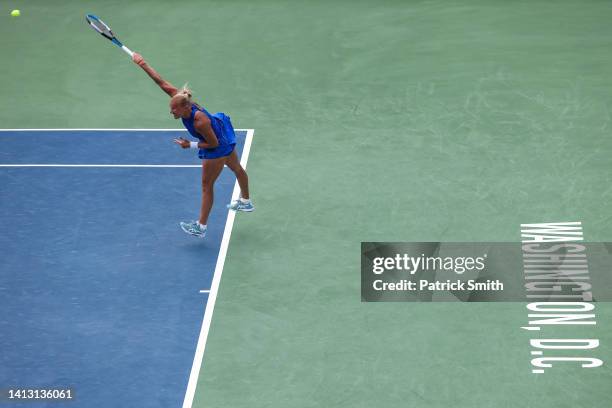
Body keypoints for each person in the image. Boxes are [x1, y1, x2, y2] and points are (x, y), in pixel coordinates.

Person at [132, 52, 253, 238]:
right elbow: (160, 82)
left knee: (207, 186)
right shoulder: (180, 98)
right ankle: (245, 201)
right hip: (222, 132)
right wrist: (143, 64)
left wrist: (191, 146)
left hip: (217, 144)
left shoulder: (199, 122)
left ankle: (201, 227)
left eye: (174, 110)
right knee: (236, 168)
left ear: (185, 108)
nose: (171, 112)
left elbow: (213, 143)